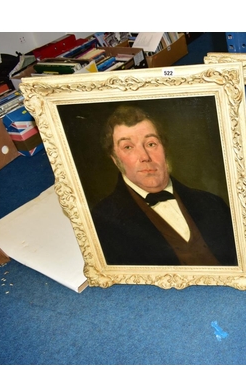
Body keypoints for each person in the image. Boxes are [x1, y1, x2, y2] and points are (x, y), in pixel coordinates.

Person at [91, 104, 237, 266]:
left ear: (164, 148)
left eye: (151, 144)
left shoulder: (213, 204)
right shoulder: (102, 221)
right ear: (115, 160)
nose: (144, 156)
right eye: (128, 147)